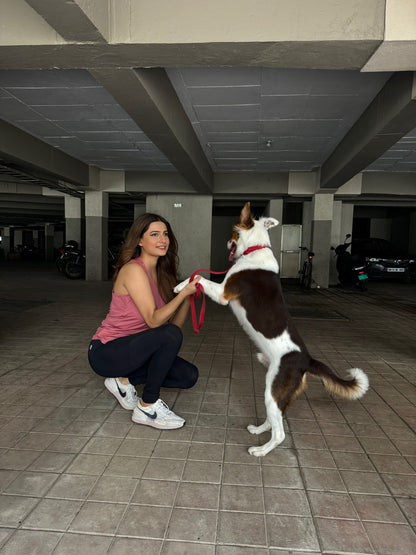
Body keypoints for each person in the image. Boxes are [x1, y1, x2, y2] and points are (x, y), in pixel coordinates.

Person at [88, 213, 201, 430]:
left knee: (188, 376)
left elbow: (172, 330)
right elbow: (154, 321)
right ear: (139, 240)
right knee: (168, 334)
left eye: (165, 234)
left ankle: (123, 381)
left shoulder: (162, 274)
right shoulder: (133, 270)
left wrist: (187, 297)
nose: (163, 240)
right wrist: (181, 294)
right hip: (107, 351)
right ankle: (147, 407)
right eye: (155, 234)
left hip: (136, 350)